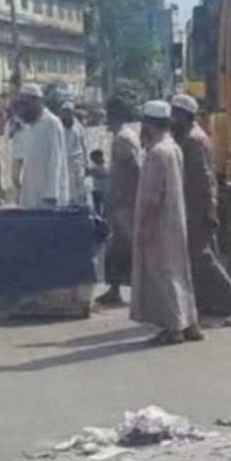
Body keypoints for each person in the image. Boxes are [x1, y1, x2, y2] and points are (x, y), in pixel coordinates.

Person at [170, 94, 231, 322]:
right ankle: (206, 304)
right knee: (198, 258)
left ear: (184, 115)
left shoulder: (192, 141)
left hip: (197, 209)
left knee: (202, 258)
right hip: (196, 207)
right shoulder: (192, 137)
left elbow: (203, 181)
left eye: (174, 114)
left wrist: (206, 211)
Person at [130, 99, 201, 345]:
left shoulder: (156, 153)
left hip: (159, 223)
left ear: (148, 126)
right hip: (175, 219)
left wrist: (144, 229)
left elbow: (151, 198)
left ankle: (174, 327)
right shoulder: (173, 148)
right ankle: (189, 322)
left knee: (163, 275)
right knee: (179, 272)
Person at [96, 97, 143, 307]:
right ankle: (115, 289)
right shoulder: (123, 136)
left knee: (128, 247)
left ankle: (139, 291)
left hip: (126, 202)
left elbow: (135, 167)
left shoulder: (124, 138)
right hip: (121, 200)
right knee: (117, 247)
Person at [13, 84, 69, 208]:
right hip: (30, 194)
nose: (22, 108)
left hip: (49, 198)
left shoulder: (51, 123)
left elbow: (55, 160)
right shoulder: (27, 126)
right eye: (20, 104)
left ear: (37, 102)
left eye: (26, 104)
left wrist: (51, 195)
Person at [57, 100, 91, 208]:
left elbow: (84, 145)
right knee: (67, 188)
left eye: (69, 112)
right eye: (64, 112)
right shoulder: (58, 127)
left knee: (80, 187)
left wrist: (86, 163)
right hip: (64, 162)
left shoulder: (78, 127)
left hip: (78, 161)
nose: (66, 114)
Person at [88, 149, 108, 215]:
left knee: (103, 207)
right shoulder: (95, 167)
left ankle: (103, 216)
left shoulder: (103, 167)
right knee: (98, 208)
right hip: (97, 190)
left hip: (103, 190)